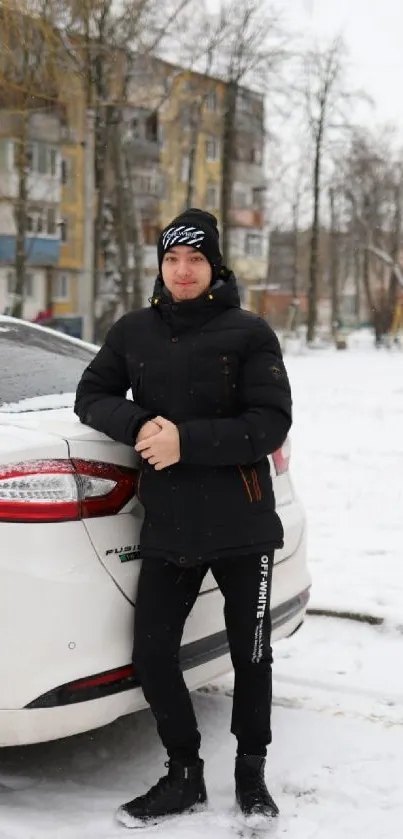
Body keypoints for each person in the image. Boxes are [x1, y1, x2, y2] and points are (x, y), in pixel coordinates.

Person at [74, 208, 292, 829]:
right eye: (172, 258)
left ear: (215, 265)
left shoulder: (249, 333)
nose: (183, 270)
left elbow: (270, 422)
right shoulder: (133, 331)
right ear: (161, 265)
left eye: (195, 259)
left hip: (242, 523)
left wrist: (185, 442)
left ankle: (251, 772)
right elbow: (91, 395)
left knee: (252, 654)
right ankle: (184, 775)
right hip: (170, 525)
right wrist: (140, 425)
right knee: (153, 655)